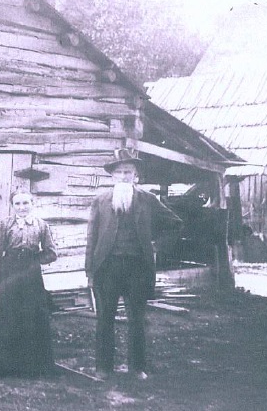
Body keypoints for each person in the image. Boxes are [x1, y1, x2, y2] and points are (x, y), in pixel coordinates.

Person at [85, 148, 182, 380]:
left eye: (127, 172)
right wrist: (90, 270)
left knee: (137, 319)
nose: (123, 176)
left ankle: (137, 368)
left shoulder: (148, 200)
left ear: (135, 175)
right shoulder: (101, 201)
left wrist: (155, 245)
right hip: (107, 268)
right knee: (105, 319)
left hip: (137, 268)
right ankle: (103, 368)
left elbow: (175, 224)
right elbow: (92, 237)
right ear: (112, 176)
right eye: (118, 172)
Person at [0, 190, 59, 377]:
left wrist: (34, 260)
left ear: (33, 204)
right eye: (17, 204)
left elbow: (52, 252)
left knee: (32, 316)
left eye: (26, 203)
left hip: (31, 275)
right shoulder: (5, 225)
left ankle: (32, 366)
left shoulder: (41, 225)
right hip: (9, 272)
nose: (22, 207)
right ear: (12, 206)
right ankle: (4, 367)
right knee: (8, 316)